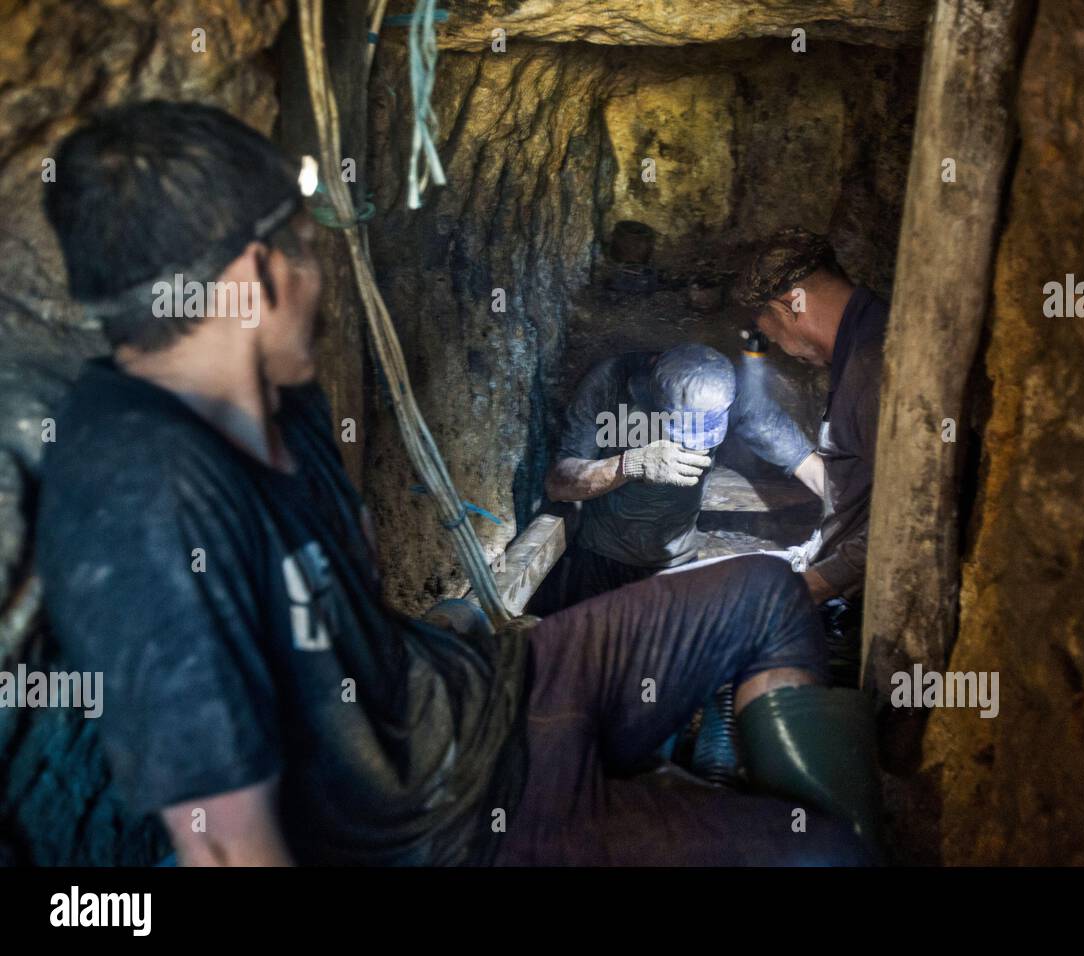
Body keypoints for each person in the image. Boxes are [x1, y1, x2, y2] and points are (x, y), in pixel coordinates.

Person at [34, 101, 879, 866]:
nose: (321, 276)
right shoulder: (135, 487)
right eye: (308, 247)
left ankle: (721, 765)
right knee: (827, 859)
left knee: (769, 592)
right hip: (461, 823)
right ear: (256, 275)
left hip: (498, 689)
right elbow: (224, 843)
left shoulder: (278, 401)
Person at [542, 343, 825, 609]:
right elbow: (558, 483)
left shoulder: (730, 392)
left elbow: (807, 464)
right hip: (600, 559)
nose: (694, 445)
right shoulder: (611, 383)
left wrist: (846, 529)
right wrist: (632, 464)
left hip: (676, 562)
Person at [738, 228, 890, 688]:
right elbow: (856, 482)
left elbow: (905, 516)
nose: (783, 350)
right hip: (833, 574)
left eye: (773, 335)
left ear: (791, 305)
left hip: (856, 608)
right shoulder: (866, 337)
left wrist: (812, 586)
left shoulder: (875, 367)